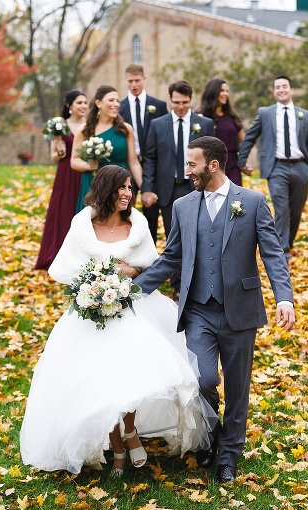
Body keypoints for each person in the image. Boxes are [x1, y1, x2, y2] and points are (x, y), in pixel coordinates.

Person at [21, 165, 216, 477]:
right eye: (121, 188)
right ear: (105, 190)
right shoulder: (82, 224)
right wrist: (91, 287)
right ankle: (116, 441)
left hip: (133, 306)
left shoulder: (137, 225)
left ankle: (129, 431)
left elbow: (152, 265)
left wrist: (132, 272)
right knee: (100, 375)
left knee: (131, 369)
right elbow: (63, 268)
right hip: (92, 310)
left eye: (130, 188)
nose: (127, 193)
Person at [134, 136, 295, 484]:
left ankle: (230, 454)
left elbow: (272, 253)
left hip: (239, 309)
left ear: (213, 165)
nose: (186, 170)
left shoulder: (251, 202)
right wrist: (131, 291)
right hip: (198, 311)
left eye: (192, 164)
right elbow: (172, 256)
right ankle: (211, 431)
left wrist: (284, 297)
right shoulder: (183, 206)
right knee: (203, 379)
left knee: (238, 388)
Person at [140, 79, 214, 300]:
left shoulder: (204, 123)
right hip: (167, 188)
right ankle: (177, 284)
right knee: (175, 239)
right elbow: (150, 158)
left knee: (197, 235)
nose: (180, 107)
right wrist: (147, 188)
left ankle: (192, 281)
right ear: (170, 100)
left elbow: (212, 157)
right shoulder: (158, 124)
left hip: (196, 188)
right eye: (176, 102)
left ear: (191, 100)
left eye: (184, 102)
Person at [237, 75, 308, 262]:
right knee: (282, 210)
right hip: (277, 168)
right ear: (274, 92)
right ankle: (283, 253)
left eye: (284, 86)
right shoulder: (265, 113)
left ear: (292, 90)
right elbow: (250, 137)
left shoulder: (305, 115)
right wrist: (242, 160)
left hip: (301, 168)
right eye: (277, 87)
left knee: (296, 212)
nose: (281, 89)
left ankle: (288, 243)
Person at [35, 90, 89, 270]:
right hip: (66, 174)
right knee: (63, 211)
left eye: (85, 103)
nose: (83, 106)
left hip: (84, 172)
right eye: (79, 103)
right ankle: (57, 254)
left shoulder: (90, 125)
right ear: (69, 105)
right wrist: (58, 151)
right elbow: (54, 157)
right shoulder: (60, 126)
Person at [71, 85, 143, 213]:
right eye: (111, 100)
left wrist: (145, 188)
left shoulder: (126, 129)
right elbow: (74, 161)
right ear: (99, 103)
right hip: (93, 184)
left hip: (119, 185)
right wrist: (88, 165)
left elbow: (134, 162)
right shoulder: (85, 130)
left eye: (117, 100)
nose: (116, 104)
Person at [119, 64, 168, 242]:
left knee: (151, 211)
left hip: (153, 165)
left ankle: (151, 254)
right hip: (127, 165)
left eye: (137, 80)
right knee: (124, 210)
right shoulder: (119, 108)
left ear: (144, 79)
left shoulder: (159, 106)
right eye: (130, 81)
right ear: (126, 81)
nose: (134, 85)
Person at [197, 78, 245, 186]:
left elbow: (243, 141)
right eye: (222, 90)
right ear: (213, 92)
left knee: (235, 200)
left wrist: (242, 161)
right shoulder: (199, 116)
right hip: (208, 167)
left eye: (227, 91)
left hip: (232, 166)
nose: (225, 94)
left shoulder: (232, 116)